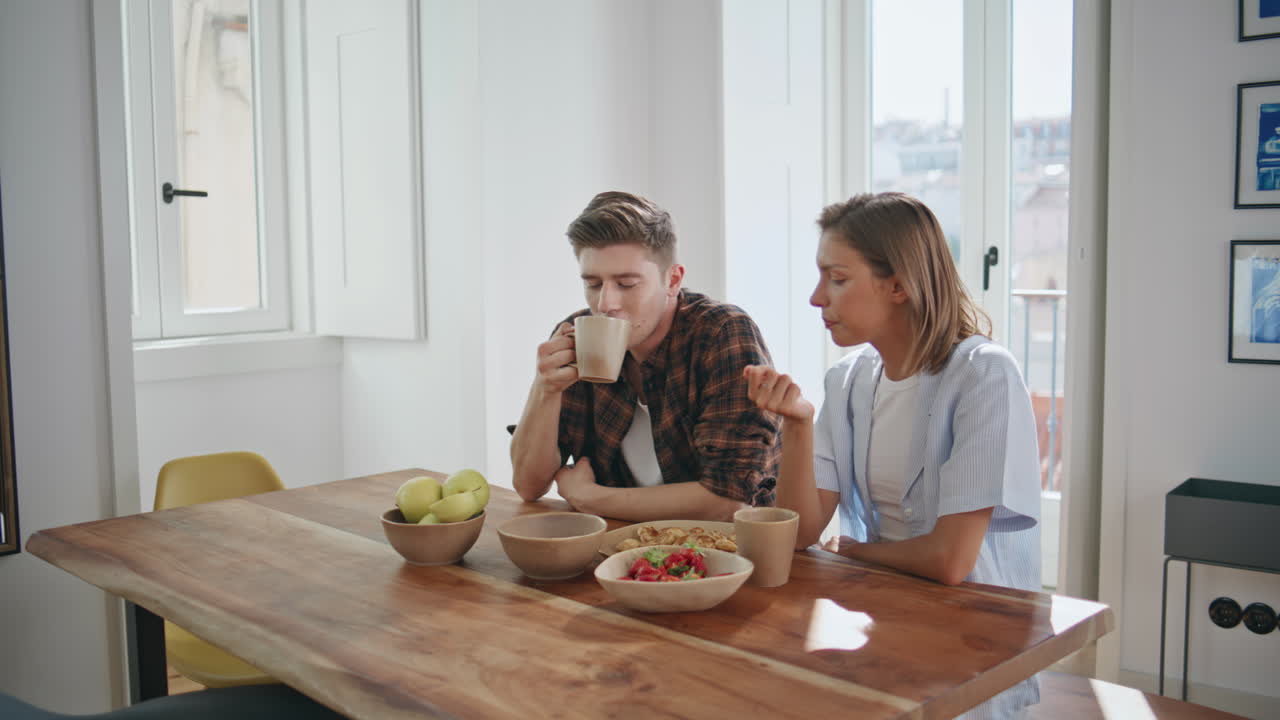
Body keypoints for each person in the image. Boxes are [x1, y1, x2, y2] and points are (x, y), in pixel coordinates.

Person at [744, 192, 1041, 719]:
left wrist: (855, 554)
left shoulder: (983, 374)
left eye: (837, 278)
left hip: (972, 638)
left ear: (899, 285)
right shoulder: (850, 380)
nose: (817, 298)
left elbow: (950, 560)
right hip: (885, 615)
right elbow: (802, 532)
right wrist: (797, 425)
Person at [511, 191, 781, 522]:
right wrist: (545, 390)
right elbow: (528, 485)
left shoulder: (721, 333)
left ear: (673, 280)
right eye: (593, 284)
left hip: (729, 558)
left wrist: (590, 497)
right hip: (623, 553)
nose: (606, 303)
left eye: (626, 284)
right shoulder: (576, 334)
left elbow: (728, 501)